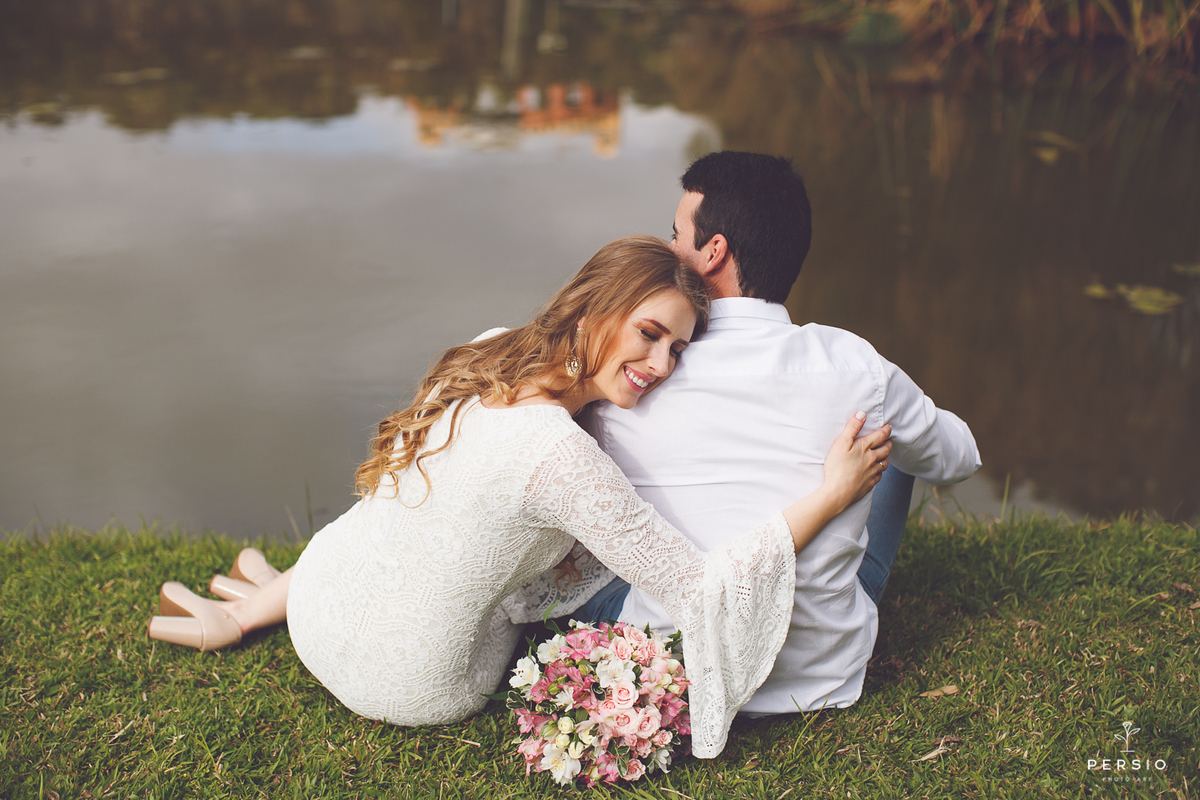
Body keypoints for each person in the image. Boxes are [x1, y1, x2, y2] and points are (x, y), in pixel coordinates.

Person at [146, 235, 894, 758]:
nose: (663, 364)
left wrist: (274, 600)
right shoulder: (558, 456)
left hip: (319, 605)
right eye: (649, 333)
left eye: (678, 348)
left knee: (416, 517)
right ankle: (255, 606)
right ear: (594, 310)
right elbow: (700, 588)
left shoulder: (491, 348)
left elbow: (394, 506)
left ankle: (251, 609)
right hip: (416, 684)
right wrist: (829, 495)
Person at [581, 153, 981, 715]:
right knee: (890, 437)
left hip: (666, 663)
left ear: (713, 252)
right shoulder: (854, 362)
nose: (669, 250)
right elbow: (960, 458)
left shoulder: (634, 369)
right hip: (818, 674)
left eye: (676, 236)